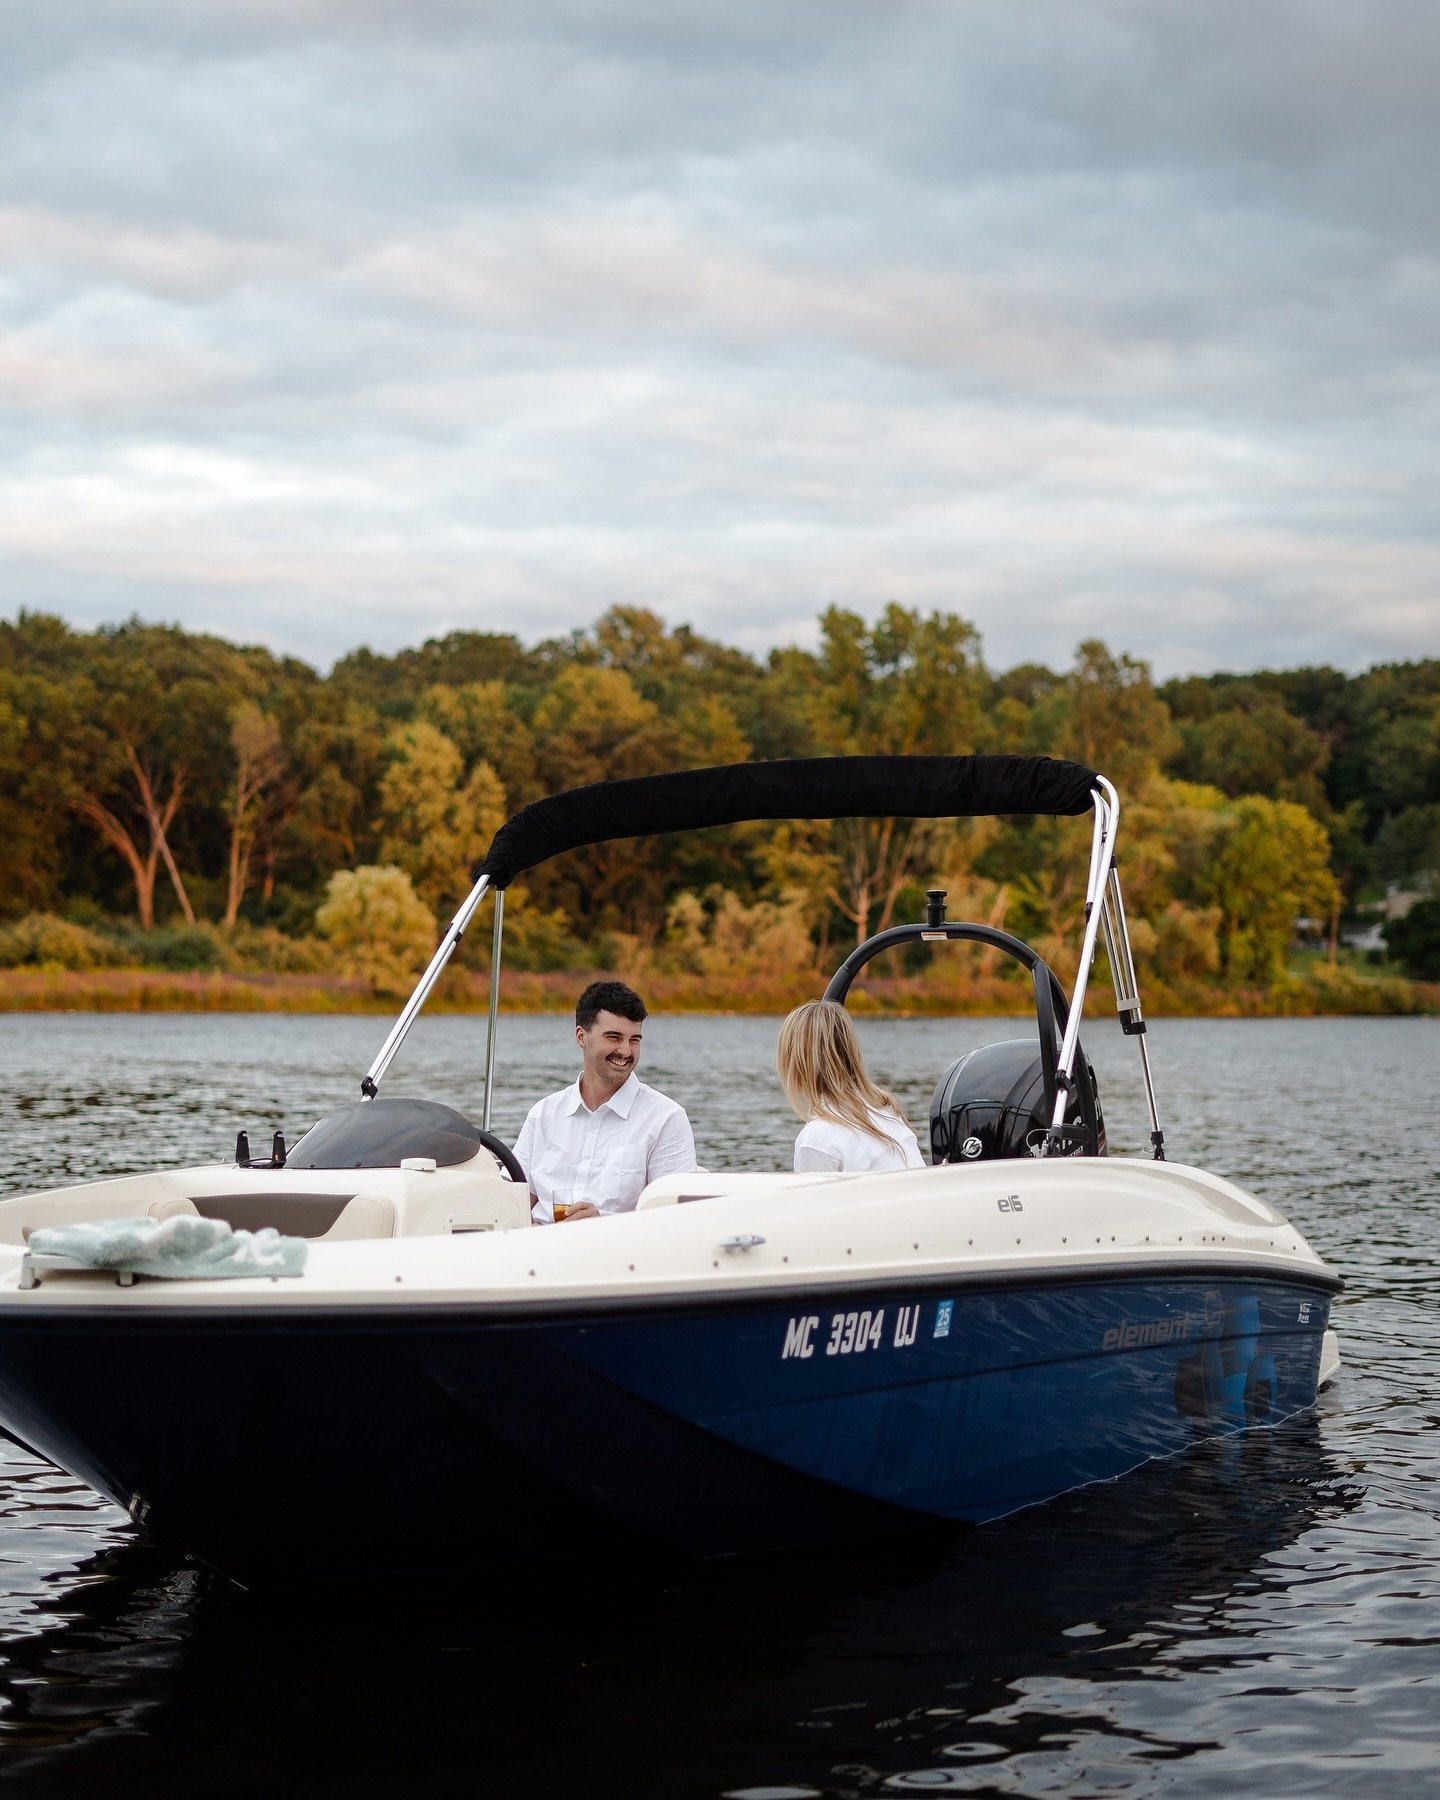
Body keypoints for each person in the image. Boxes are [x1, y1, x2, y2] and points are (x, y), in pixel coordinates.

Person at [513, 980, 698, 1223]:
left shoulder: (666, 1118)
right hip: (535, 1252)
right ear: (581, 1037)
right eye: (614, 1037)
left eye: (634, 1039)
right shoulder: (543, 1114)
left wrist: (601, 1223)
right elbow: (512, 1203)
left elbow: (676, 1221)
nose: (626, 1051)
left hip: (618, 1256)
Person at [776, 999, 924, 1174]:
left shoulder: (816, 1141)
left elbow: (815, 1202)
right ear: (850, 1050)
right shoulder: (886, 1112)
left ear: (795, 1063)